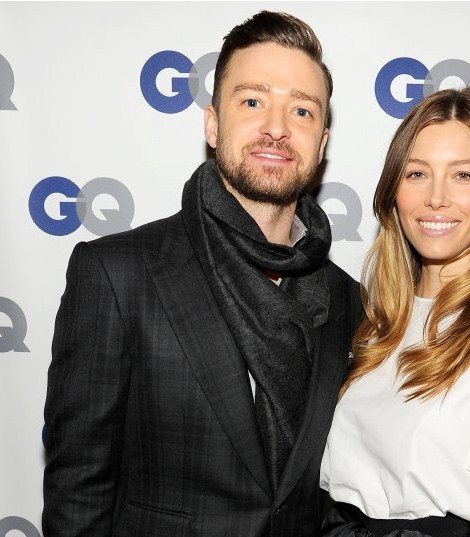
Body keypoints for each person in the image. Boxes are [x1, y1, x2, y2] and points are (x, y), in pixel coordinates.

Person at [42, 10, 362, 537]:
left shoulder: (349, 299)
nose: (277, 128)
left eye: (301, 110)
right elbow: (78, 493)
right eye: (253, 101)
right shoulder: (118, 275)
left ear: (321, 143)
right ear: (212, 124)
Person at [320, 87, 470, 537]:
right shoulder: (375, 323)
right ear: (394, 190)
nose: (436, 198)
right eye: (417, 174)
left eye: (463, 175)